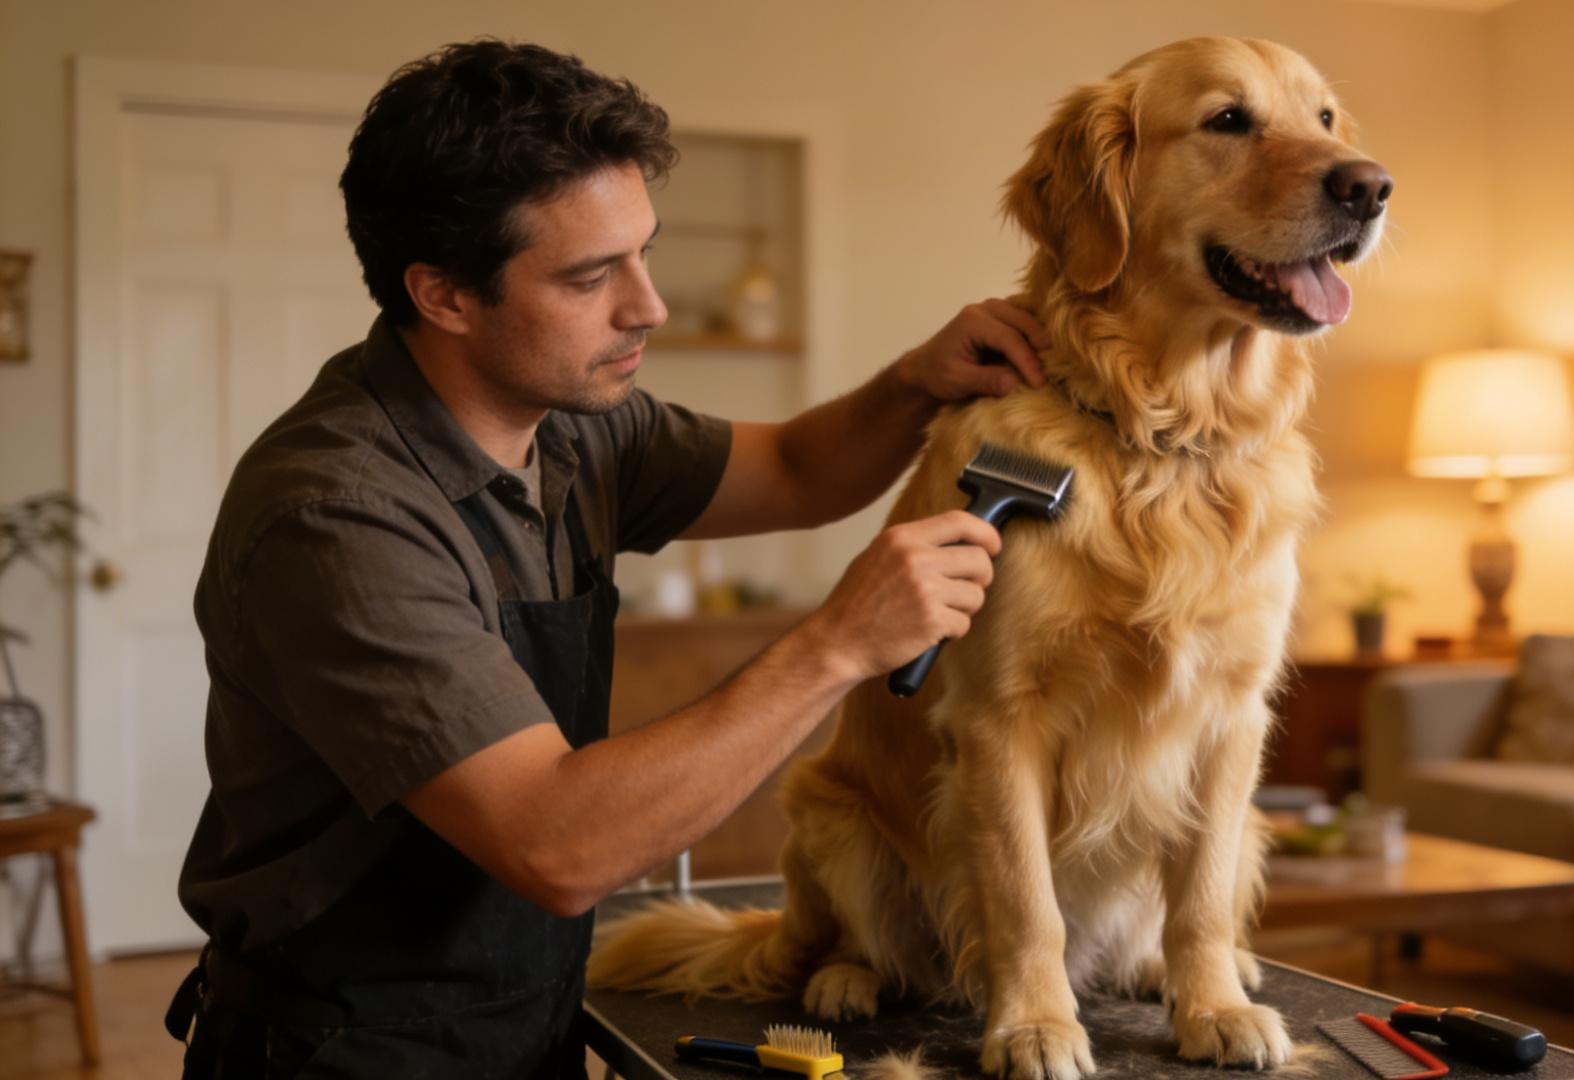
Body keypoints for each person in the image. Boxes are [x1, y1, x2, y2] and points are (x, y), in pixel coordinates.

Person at [167, 39, 1050, 1078]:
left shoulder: (574, 429)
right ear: (445, 295)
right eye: (591, 277)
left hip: (523, 1023)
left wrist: (914, 381)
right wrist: (837, 646)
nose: (649, 306)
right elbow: (558, 846)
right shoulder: (338, 518)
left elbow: (802, 471)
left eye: (644, 252)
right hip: (349, 1050)